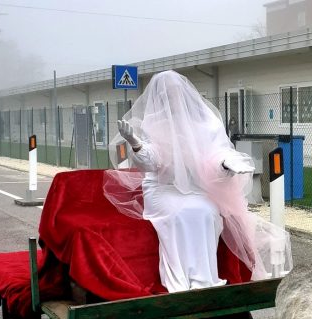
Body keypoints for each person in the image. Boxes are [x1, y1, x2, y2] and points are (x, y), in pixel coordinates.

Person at [104, 70, 291, 292]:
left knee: (207, 212)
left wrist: (226, 163)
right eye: (164, 94)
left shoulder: (205, 121)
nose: (169, 98)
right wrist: (136, 143)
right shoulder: (153, 123)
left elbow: (216, 152)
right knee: (180, 215)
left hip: (195, 187)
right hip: (163, 189)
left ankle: (205, 279)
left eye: (173, 93)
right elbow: (151, 162)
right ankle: (179, 281)